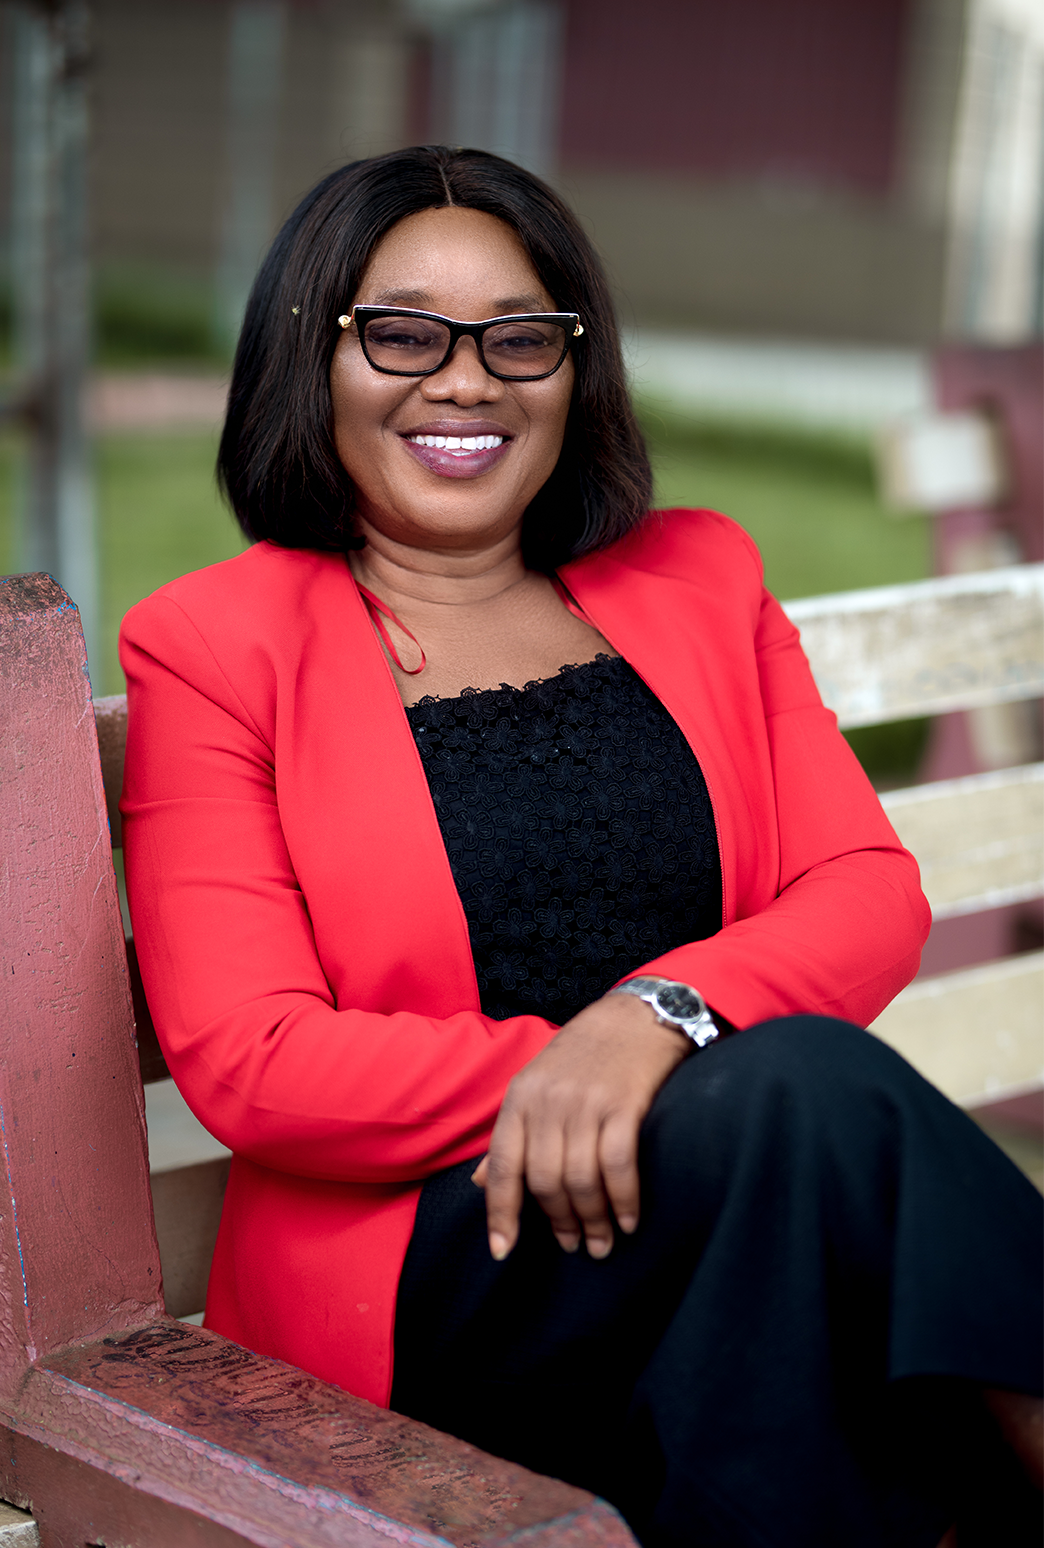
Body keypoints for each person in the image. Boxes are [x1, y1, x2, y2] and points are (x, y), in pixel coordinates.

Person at [120, 146, 1042, 1547]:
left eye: (519, 336)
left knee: (787, 1250)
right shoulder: (218, 646)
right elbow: (253, 1057)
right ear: (311, 356)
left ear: (573, 366)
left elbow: (865, 891)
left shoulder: (700, 576)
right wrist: (595, 1074)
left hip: (736, 1233)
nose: (467, 379)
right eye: (405, 332)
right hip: (441, 1268)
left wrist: (652, 1025)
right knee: (795, 1095)